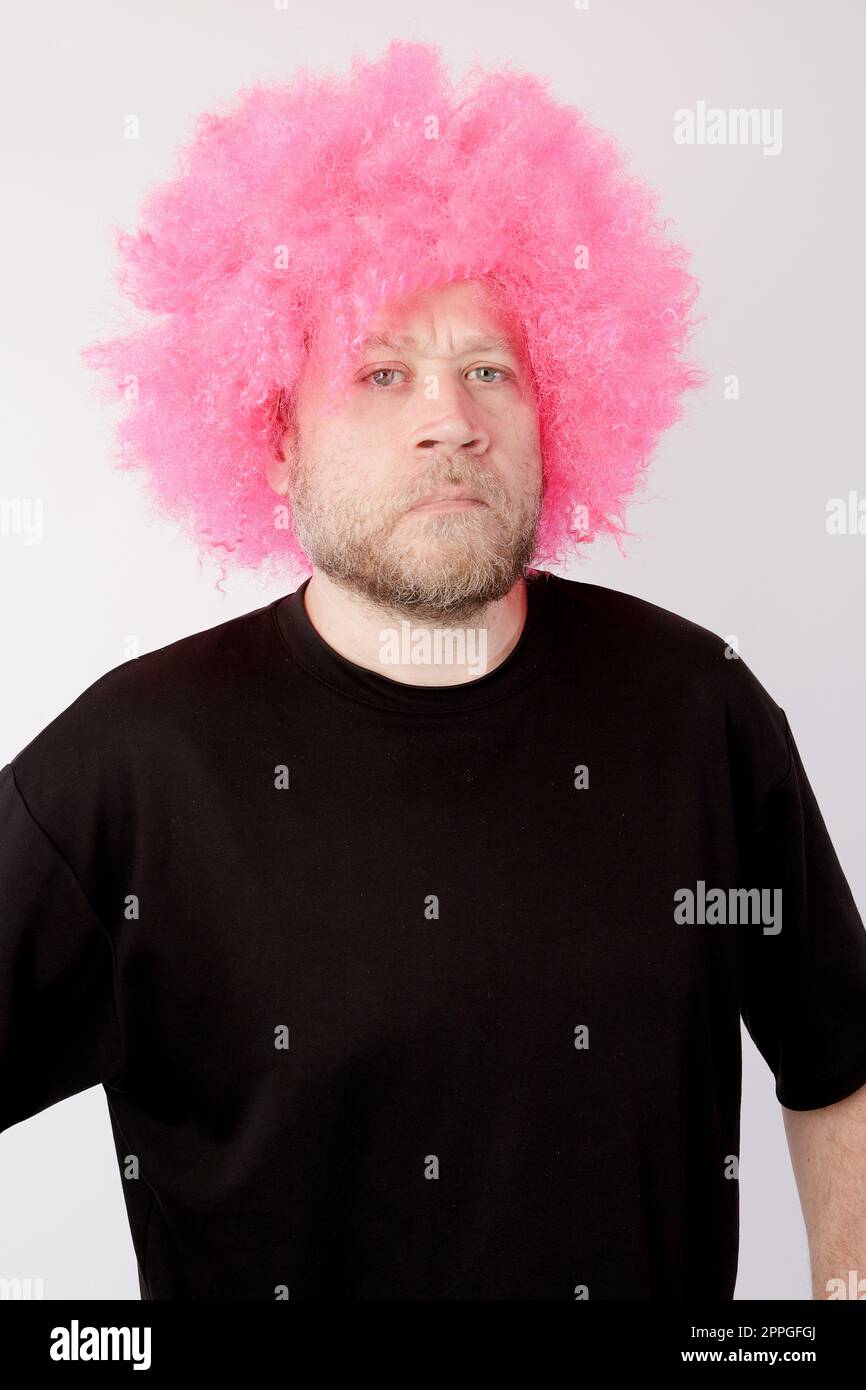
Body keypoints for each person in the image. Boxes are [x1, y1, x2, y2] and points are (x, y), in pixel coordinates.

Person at [2, 40, 865, 1302]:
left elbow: (835, 1050)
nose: (447, 418)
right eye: (381, 371)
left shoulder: (695, 708)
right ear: (274, 433)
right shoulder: (132, 771)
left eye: (489, 370)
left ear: (556, 403)